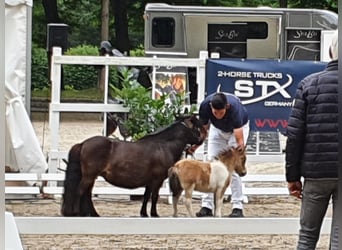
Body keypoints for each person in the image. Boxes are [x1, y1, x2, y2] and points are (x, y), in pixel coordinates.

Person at [285, 30, 338, 249]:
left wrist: (292, 176)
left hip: (316, 172)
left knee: (307, 236)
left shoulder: (309, 84)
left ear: (330, 52)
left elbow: (295, 135)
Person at [190, 92, 249, 217]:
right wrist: (196, 146)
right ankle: (207, 205)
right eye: (215, 112)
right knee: (211, 164)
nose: (217, 115)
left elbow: (239, 140)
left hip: (237, 130)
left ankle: (237, 206)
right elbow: (203, 130)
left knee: (231, 168)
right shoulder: (205, 106)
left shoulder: (235, 109)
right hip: (217, 130)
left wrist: (239, 153)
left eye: (220, 113)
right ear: (211, 106)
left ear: (226, 107)